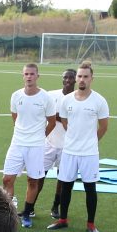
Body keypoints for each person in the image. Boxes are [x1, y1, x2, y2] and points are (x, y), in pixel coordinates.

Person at [48, 61, 109, 232]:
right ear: (76, 78)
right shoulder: (67, 100)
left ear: (92, 78)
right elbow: (65, 121)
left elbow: (103, 126)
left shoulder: (99, 100)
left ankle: (91, 224)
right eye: (80, 76)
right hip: (69, 151)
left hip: (89, 153)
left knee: (90, 188)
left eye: (86, 77)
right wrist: (75, 137)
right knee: (66, 185)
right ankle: (63, 219)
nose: (82, 79)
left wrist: (90, 141)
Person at [1, 64, 57, 229]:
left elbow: (52, 122)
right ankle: (10, 212)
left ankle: (26, 213)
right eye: (26, 74)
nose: (29, 76)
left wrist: (39, 137)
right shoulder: (16, 96)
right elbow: (15, 117)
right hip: (17, 143)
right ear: (22, 76)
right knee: (7, 179)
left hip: (36, 146)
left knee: (33, 180)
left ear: (37, 76)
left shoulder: (46, 97)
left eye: (32, 74)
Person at [40, 68, 75, 217]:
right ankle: (30, 207)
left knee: (63, 179)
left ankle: (55, 207)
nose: (67, 80)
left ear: (75, 80)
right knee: (39, 175)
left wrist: (56, 116)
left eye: (70, 78)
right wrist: (59, 117)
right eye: (65, 77)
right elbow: (45, 114)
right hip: (49, 143)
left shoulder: (78, 98)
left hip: (68, 146)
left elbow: (72, 121)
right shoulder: (51, 95)